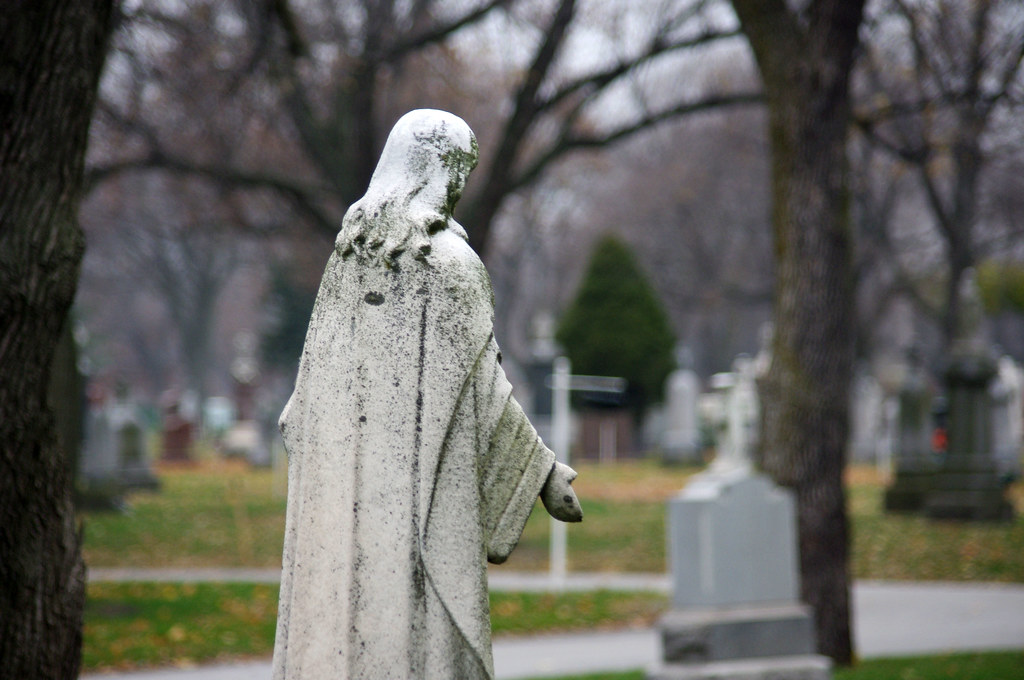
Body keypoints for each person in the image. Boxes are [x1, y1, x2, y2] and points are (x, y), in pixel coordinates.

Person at [272, 109, 581, 680]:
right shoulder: (452, 267)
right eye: (460, 171)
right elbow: (486, 388)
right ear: (440, 175)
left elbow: (303, 404)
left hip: (341, 492)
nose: (462, 187)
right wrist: (541, 472)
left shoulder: (343, 263)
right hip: (425, 499)